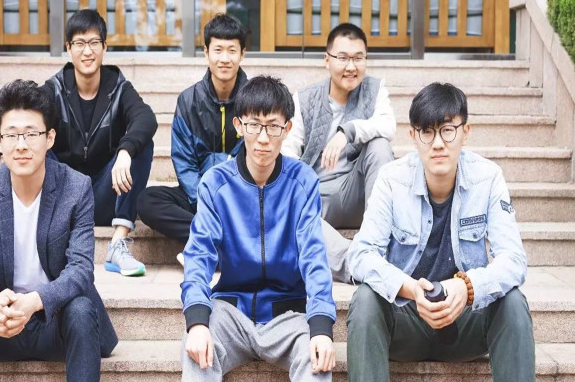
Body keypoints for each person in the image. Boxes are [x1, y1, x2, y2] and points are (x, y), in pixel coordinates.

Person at [345, 82, 534, 382]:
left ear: (465, 132)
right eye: (427, 132)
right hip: (406, 322)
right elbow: (360, 255)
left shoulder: (488, 178)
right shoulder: (391, 180)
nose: (437, 144)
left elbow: (514, 260)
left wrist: (467, 288)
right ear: (413, 136)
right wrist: (410, 289)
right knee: (366, 299)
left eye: (447, 130)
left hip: (466, 323)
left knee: (513, 302)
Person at [0, 80, 117, 381]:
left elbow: (81, 270)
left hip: (54, 323)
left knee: (81, 310)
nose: (21, 145)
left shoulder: (76, 188)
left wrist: (34, 302)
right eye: (12, 135)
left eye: (31, 134)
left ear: (50, 138)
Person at [0, 9, 157, 276]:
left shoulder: (118, 87)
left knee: (141, 144)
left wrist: (126, 151)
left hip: (105, 195)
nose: (87, 51)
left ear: (104, 47)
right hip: (63, 197)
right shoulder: (55, 89)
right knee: (37, 141)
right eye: (79, 43)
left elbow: (145, 117)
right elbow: (20, 117)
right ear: (68, 48)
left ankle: (117, 244)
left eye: (94, 42)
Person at [180, 76, 337, 381]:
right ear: (238, 126)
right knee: (196, 349)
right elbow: (198, 256)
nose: (263, 138)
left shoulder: (303, 181)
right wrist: (197, 322)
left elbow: (314, 257)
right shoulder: (215, 183)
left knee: (316, 358)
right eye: (254, 125)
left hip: (288, 316)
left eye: (273, 126)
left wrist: (321, 327)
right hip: (230, 313)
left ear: (287, 129)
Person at [281, 23, 395, 282]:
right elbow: (288, 152)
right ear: (327, 60)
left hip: (359, 193)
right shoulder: (304, 99)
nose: (351, 66)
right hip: (317, 197)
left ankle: (377, 243)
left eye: (358, 58)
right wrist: (301, 191)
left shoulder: (376, 89)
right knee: (289, 201)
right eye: (343, 58)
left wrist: (348, 132)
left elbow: (388, 125)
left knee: (380, 146)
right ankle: (356, 265)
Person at [136, 14, 247, 265]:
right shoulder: (188, 101)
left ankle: (204, 245)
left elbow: (254, 157)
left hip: (241, 198)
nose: (225, 58)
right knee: (147, 201)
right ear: (206, 53)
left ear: (242, 54)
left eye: (232, 50)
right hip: (198, 196)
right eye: (218, 50)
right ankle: (219, 242)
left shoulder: (254, 99)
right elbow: (184, 163)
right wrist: (205, 201)